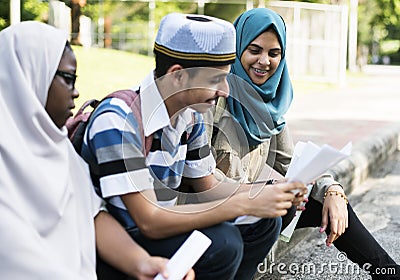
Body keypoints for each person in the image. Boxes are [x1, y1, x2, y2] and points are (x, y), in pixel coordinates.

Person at [78, 13, 308, 280]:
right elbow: (148, 221)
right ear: (177, 76)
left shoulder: (190, 116)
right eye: (216, 80)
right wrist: (244, 204)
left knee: (267, 221)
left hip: (161, 224)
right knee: (224, 243)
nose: (225, 90)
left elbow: (208, 185)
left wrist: (267, 192)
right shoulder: (119, 119)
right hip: (123, 243)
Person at [209, 7, 400, 279]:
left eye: (274, 54)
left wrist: (333, 190)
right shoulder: (212, 98)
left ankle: (389, 273)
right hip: (209, 215)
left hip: (249, 213)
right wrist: (258, 192)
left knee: (324, 201)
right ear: (237, 47)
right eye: (255, 50)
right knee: (276, 204)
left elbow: (293, 162)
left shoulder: (268, 106)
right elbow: (198, 176)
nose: (264, 61)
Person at [0, 21, 195, 280]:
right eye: (67, 79)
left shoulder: (60, 150)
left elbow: (93, 216)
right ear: (27, 75)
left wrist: (142, 263)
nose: (76, 92)